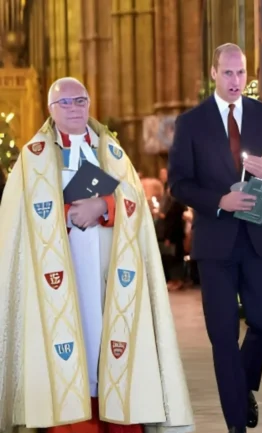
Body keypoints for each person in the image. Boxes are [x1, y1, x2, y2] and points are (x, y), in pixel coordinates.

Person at [0, 77, 193, 432]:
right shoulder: (32, 158)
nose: (74, 108)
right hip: (59, 279)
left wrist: (103, 207)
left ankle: (119, 419)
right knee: (72, 350)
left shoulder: (111, 152)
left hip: (109, 279)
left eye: (80, 101)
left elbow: (133, 203)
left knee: (108, 350)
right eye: (65, 103)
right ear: (50, 110)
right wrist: (69, 214)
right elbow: (17, 220)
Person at [168, 43, 262, 433]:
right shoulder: (191, 123)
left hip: (258, 239)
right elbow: (178, 184)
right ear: (213, 73)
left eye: (241, 74)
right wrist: (219, 200)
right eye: (228, 73)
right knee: (222, 336)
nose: (236, 81)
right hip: (215, 243)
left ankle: (244, 386)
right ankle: (236, 424)